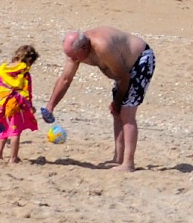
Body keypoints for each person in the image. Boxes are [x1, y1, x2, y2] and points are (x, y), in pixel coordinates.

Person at [41, 26, 155, 172]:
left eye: (75, 56)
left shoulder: (102, 47)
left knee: (126, 112)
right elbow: (65, 79)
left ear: (84, 47)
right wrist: (51, 106)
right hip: (122, 72)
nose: (73, 60)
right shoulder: (76, 51)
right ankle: (118, 158)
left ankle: (128, 163)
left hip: (141, 60)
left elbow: (124, 77)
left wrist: (117, 102)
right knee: (116, 113)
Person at [0, 44, 41, 164]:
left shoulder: (3, 69)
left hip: (2, 104)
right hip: (16, 105)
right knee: (15, 131)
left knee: (3, 129)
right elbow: (27, 91)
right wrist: (30, 106)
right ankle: (13, 157)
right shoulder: (24, 73)